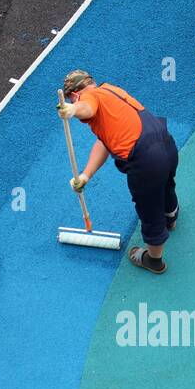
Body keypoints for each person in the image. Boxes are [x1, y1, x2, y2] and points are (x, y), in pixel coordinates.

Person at [57, 70, 179, 274]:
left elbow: (86, 107)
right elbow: (104, 142)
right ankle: (171, 218)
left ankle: (154, 260)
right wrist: (86, 175)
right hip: (167, 144)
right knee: (166, 185)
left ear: (74, 94)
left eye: (71, 98)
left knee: (149, 208)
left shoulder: (88, 97)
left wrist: (72, 110)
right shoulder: (109, 90)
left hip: (146, 160)